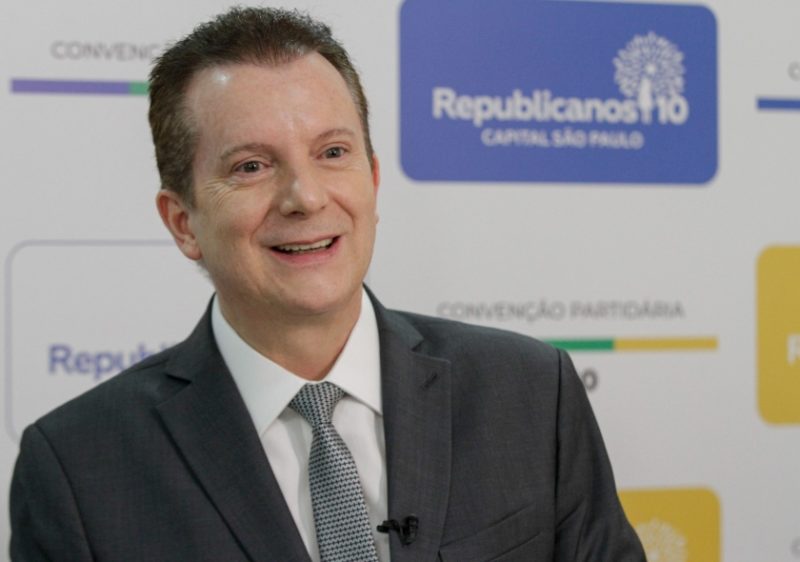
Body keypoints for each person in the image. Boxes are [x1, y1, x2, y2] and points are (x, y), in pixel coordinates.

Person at [9, 7, 645, 561]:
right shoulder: (78, 468)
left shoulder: (530, 394)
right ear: (183, 223)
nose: (306, 197)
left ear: (373, 178)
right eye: (251, 166)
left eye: (332, 153)